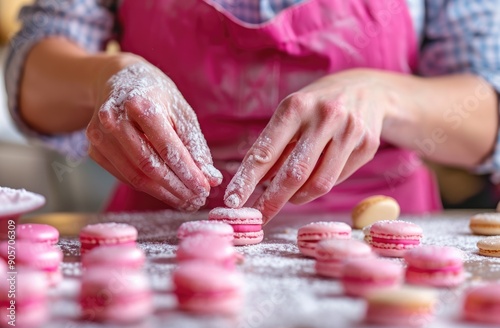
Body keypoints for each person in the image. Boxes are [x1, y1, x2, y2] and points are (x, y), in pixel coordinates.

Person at [4, 0, 500, 224]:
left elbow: (486, 116)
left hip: (375, 236)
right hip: (159, 235)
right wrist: (106, 77)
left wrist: (385, 95)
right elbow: (34, 80)